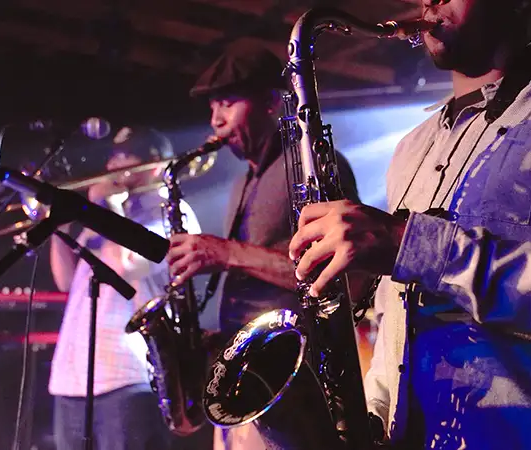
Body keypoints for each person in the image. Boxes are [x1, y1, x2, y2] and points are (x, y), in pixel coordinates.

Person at [289, 0, 531, 448]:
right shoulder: (409, 150)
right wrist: (373, 415)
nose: (430, 2)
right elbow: (392, 323)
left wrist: (415, 247)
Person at [166, 41, 361, 450]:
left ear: (272, 102)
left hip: (293, 379)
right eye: (212, 108)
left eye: (227, 103)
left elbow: (347, 279)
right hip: (245, 380)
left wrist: (227, 253)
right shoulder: (242, 183)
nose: (216, 120)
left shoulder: (311, 167)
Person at [48, 126, 209, 450]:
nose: (112, 165)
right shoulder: (110, 214)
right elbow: (67, 281)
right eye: (113, 156)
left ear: (153, 163)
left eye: (124, 156)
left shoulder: (172, 215)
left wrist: (110, 207)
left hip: (125, 378)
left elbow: (127, 264)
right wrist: (58, 228)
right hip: (70, 380)